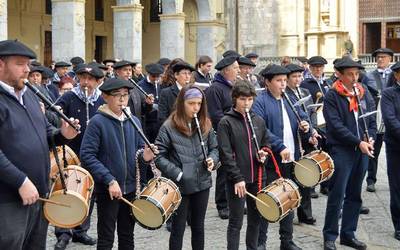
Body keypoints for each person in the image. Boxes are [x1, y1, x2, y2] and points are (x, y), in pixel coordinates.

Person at [0, 39, 80, 250]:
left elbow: (45, 132)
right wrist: (20, 181)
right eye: (20, 64)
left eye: (28, 64)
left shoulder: (31, 96)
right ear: (0, 64)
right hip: (8, 200)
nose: (27, 70)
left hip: (38, 194)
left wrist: (63, 134)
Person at [80, 78, 156, 250]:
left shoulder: (134, 121)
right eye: (117, 95)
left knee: (127, 236)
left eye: (126, 95)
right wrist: (109, 180)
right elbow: (87, 155)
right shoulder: (97, 122)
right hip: (109, 189)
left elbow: (138, 153)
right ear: (106, 97)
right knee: (106, 237)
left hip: (130, 188)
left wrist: (145, 155)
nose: (122, 99)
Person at [252, 64, 310, 250]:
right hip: (271, 160)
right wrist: (279, 145)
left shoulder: (289, 98)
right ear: (267, 82)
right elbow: (261, 129)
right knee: (268, 201)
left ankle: (287, 241)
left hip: (290, 158)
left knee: (290, 198)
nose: (283, 84)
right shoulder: (260, 101)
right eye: (279, 81)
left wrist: (308, 127)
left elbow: (302, 116)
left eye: (285, 80)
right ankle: (261, 242)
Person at [155, 85, 219, 250]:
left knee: (198, 227)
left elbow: (215, 148)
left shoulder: (205, 123)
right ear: (182, 103)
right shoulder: (168, 126)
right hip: (180, 184)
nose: (196, 108)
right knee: (178, 228)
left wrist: (212, 159)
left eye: (199, 103)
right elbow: (158, 156)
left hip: (202, 181)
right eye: (191, 103)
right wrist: (178, 173)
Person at [322, 58, 376, 250]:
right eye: (350, 74)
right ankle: (329, 236)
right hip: (342, 150)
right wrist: (357, 141)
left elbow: (371, 117)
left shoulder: (363, 92)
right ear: (339, 74)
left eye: (356, 74)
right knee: (337, 194)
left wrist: (371, 139)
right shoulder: (331, 96)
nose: (355, 78)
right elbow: (335, 126)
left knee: (355, 195)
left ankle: (348, 235)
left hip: (361, 150)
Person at [218, 81, 269, 250]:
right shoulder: (226, 122)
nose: (246, 103)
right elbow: (225, 155)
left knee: (255, 220)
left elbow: (265, 143)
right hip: (237, 180)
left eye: (249, 99)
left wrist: (264, 153)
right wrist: (237, 178)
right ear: (235, 99)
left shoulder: (258, 120)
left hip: (257, 178)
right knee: (236, 222)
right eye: (242, 99)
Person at [205, 55, 240, 220]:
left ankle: (234, 201)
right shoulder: (215, 89)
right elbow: (215, 114)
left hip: (236, 132)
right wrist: (232, 123)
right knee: (224, 170)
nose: (238, 70)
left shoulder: (233, 86)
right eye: (235, 68)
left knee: (235, 168)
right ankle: (222, 204)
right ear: (226, 71)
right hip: (224, 133)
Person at [285, 63, 318, 224]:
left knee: (306, 176)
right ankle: (290, 211)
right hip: (295, 140)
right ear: (287, 79)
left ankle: (306, 214)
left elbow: (311, 113)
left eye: (300, 76)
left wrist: (313, 130)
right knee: (293, 177)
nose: (298, 80)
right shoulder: (286, 95)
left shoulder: (305, 91)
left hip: (308, 138)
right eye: (294, 77)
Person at [362, 48, 394, 193]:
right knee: (373, 149)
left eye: (383, 57)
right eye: (378, 57)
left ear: (390, 59)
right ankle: (371, 180)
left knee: (393, 152)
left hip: (392, 118)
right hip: (376, 117)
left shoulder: (395, 75)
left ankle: (394, 180)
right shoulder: (369, 76)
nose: (380, 59)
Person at [381, 61, 400, 241]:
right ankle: (399, 225)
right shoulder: (388, 94)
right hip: (396, 147)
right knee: (397, 187)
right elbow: (390, 120)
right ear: (396, 75)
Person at [113, 60, 153, 125]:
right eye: (125, 70)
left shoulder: (135, 87)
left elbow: (144, 111)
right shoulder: (111, 87)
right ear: (117, 72)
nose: (128, 72)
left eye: (130, 70)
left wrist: (148, 103)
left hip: (135, 126)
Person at [158, 61, 195, 126]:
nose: (187, 76)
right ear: (176, 75)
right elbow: (162, 117)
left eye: (189, 74)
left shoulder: (193, 91)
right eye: (184, 73)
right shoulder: (166, 93)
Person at [139, 63, 164, 142]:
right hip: (147, 122)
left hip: (158, 121)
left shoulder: (160, 85)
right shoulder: (141, 85)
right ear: (148, 74)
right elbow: (140, 106)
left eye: (158, 76)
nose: (156, 79)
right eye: (153, 76)